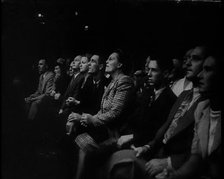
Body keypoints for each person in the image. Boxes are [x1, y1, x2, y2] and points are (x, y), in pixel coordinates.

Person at [107, 45, 209, 179]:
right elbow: (164, 128)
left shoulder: (203, 102)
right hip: (155, 149)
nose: (188, 63)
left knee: (120, 163)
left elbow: (197, 151)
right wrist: (147, 147)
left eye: (195, 59)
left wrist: (168, 161)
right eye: (188, 58)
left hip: (171, 159)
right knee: (113, 157)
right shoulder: (184, 95)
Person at [73, 49, 134, 179]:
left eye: (111, 59)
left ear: (119, 65)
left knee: (83, 149)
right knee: (76, 135)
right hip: (104, 127)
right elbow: (103, 110)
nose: (106, 61)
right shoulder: (112, 82)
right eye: (107, 59)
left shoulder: (124, 81)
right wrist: (89, 118)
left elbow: (115, 112)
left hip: (114, 132)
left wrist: (93, 120)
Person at [167, 51, 221, 179]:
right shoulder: (202, 109)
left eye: (208, 70)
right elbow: (196, 157)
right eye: (202, 69)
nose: (200, 75)